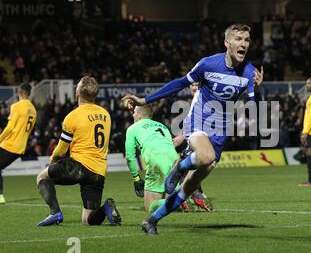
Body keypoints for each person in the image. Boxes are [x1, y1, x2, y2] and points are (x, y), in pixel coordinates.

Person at [122, 23, 263, 235]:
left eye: (247, 40)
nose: (243, 44)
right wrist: (144, 100)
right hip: (198, 121)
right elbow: (178, 83)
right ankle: (179, 166)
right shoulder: (208, 64)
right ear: (227, 43)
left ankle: (151, 220)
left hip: (220, 131)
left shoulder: (250, 72)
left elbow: (255, 106)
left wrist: (258, 90)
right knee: (204, 157)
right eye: (238, 39)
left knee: (189, 187)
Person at [36, 76, 121, 226]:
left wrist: (53, 161)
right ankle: (107, 207)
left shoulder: (72, 116)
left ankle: (54, 213)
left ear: (78, 92)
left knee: (42, 177)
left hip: (78, 166)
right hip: (98, 172)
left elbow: (61, 149)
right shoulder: (105, 115)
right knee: (88, 220)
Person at [125, 104, 212, 213]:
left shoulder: (132, 129)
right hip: (174, 160)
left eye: (135, 112)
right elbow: (170, 143)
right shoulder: (161, 126)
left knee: (150, 207)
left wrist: (136, 178)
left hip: (155, 160)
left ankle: (185, 200)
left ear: (140, 115)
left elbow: (129, 157)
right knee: (166, 199)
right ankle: (190, 199)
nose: (133, 115)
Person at [0, 83, 36, 204]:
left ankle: (0, 196)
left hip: (9, 144)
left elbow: (10, 128)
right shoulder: (33, 110)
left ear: (19, 92)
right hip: (20, 147)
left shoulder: (17, 106)